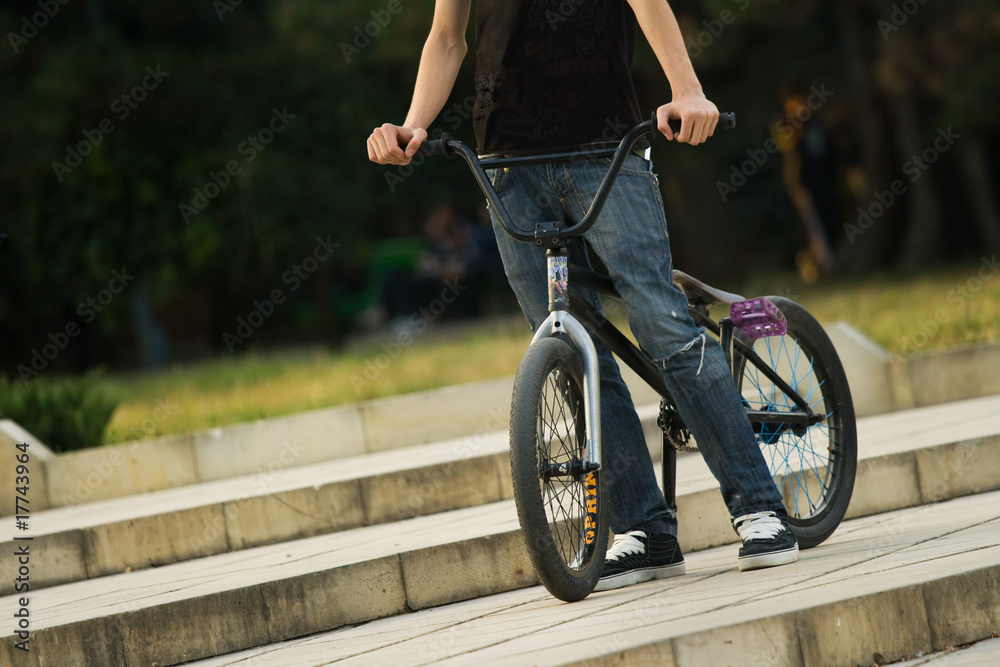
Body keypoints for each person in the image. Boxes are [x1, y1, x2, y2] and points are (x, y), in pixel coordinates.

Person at [368, 0, 799, 591]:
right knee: (575, 347)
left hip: (606, 151)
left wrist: (687, 89)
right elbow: (447, 37)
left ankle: (759, 509)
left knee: (662, 323)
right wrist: (414, 123)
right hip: (507, 169)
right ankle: (645, 530)